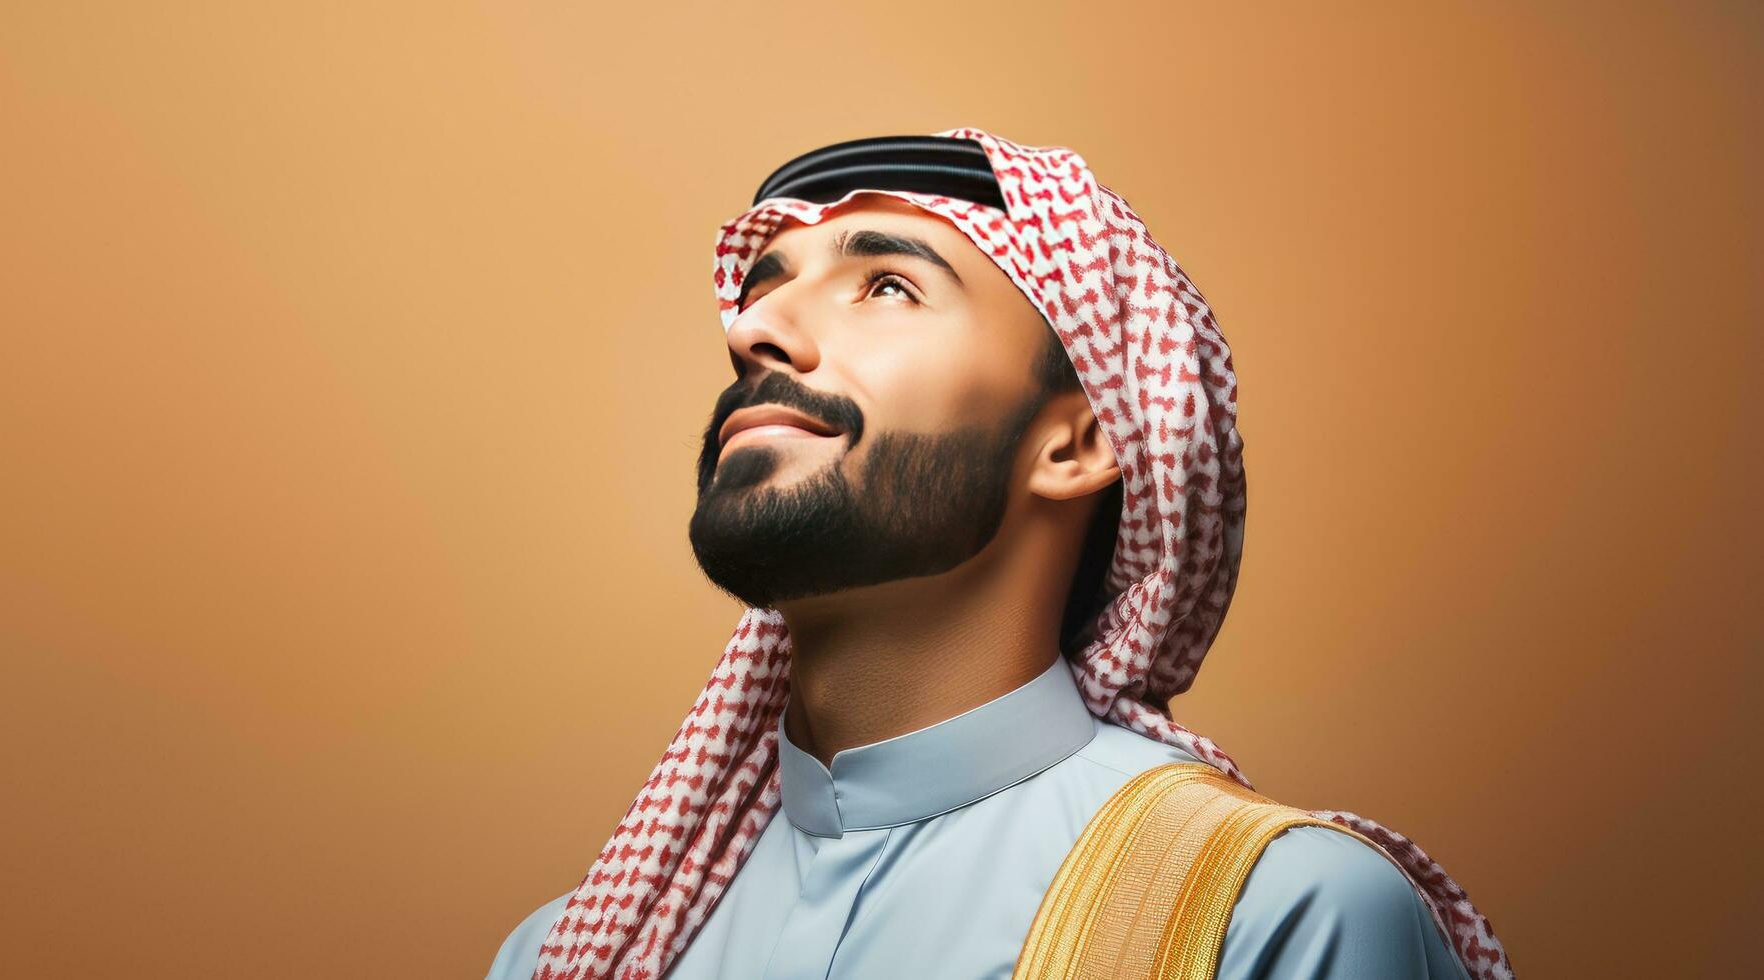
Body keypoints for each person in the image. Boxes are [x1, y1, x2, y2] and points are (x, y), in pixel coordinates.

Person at [486, 129, 1511, 980]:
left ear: (1074, 443)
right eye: (761, 287)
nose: (755, 327)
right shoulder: (563, 952)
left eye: (886, 286)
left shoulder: (1269, 916)